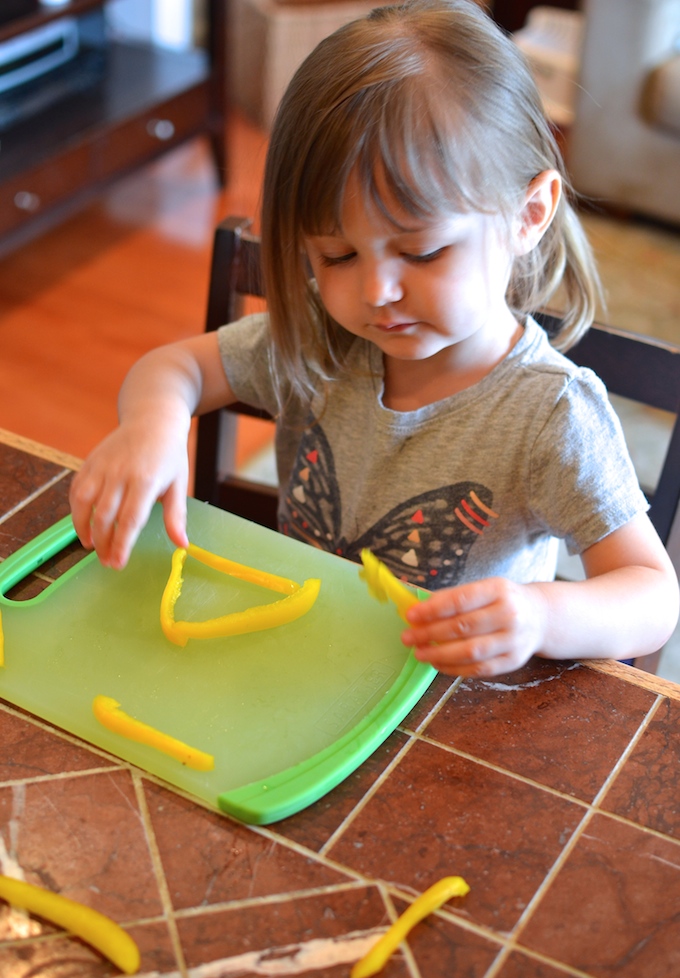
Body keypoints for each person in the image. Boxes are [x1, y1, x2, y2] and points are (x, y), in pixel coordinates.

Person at [70, 0, 679, 678]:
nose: (376, 292)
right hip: (299, 658)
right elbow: (175, 367)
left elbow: (652, 595)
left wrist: (541, 616)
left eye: (420, 254)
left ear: (528, 215)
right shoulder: (321, 338)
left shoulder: (551, 417)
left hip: (439, 707)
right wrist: (151, 427)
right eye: (337, 256)